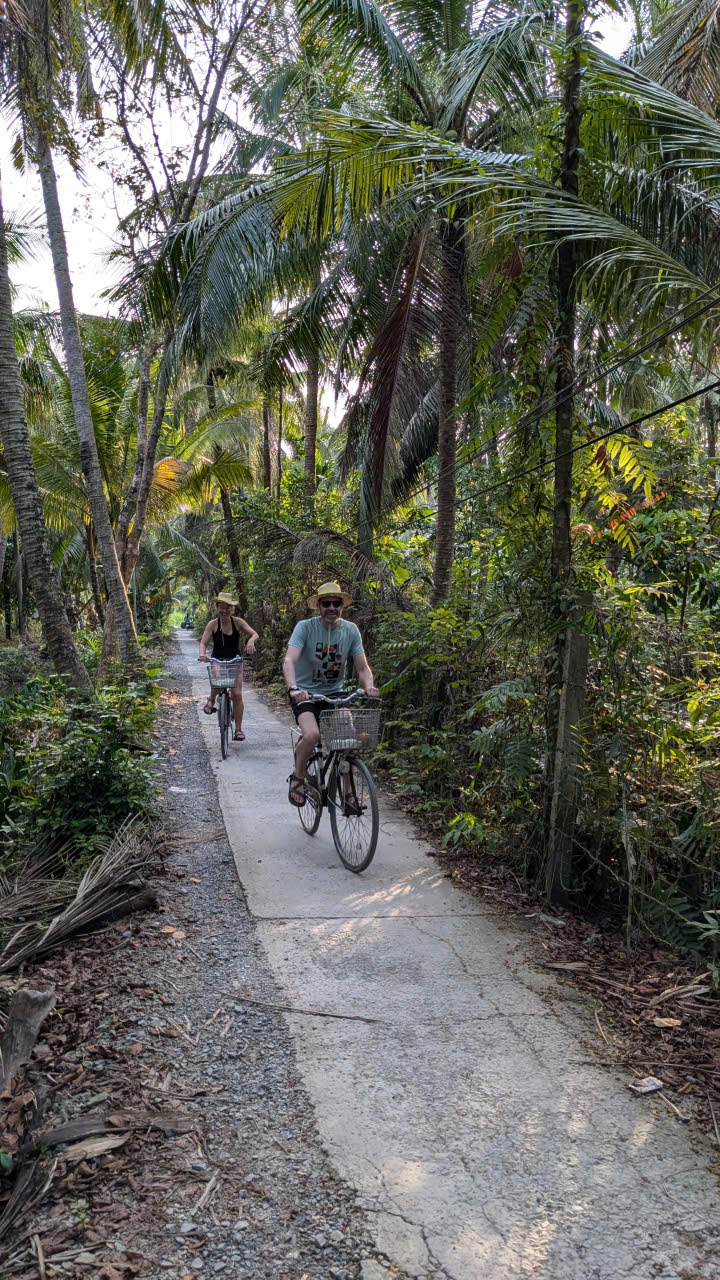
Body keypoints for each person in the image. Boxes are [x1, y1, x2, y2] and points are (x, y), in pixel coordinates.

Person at [283, 581, 379, 807]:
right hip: (306, 693)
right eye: (326, 604)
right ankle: (298, 777)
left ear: (342, 605)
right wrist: (294, 688)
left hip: (336, 693)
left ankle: (348, 794)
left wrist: (369, 686)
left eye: (336, 603)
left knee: (347, 739)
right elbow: (289, 660)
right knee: (311, 735)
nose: (331, 608)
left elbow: (362, 668)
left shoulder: (350, 630)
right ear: (318, 606)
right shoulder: (305, 627)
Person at [198, 592, 258, 741]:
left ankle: (238, 730)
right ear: (217, 607)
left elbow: (254, 634)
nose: (224, 611)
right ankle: (211, 699)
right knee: (218, 681)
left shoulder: (238, 622)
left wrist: (251, 641)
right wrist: (202, 654)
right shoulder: (212, 624)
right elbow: (203, 642)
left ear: (231, 608)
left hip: (235, 660)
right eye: (221, 608)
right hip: (217, 660)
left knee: (237, 694)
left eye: (227, 608)